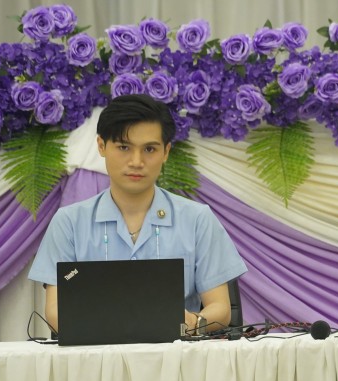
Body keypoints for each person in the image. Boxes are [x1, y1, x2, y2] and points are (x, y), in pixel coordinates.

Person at [29, 93, 247, 334]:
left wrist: (194, 322)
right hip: (95, 353)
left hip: (177, 352)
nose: (136, 161)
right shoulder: (68, 223)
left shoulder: (198, 220)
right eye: (124, 147)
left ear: (166, 152)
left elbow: (221, 309)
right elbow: (56, 312)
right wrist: (112, 330)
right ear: (101, 146)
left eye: (149, 149)